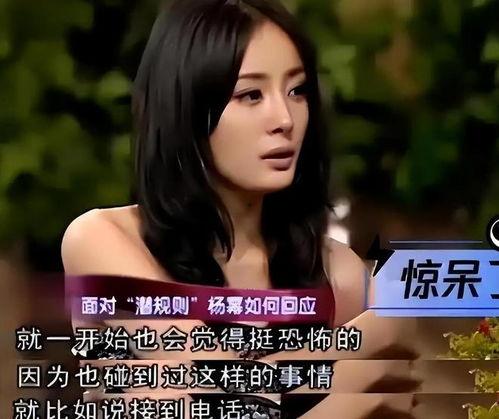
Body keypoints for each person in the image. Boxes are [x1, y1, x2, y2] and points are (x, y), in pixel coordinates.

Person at [62, 0, 420, 417]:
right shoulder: (104, 240)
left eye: (297, 90)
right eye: (251, 94)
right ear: (186, 107)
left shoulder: (335, 272)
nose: (284, 119)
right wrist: (355, 373)